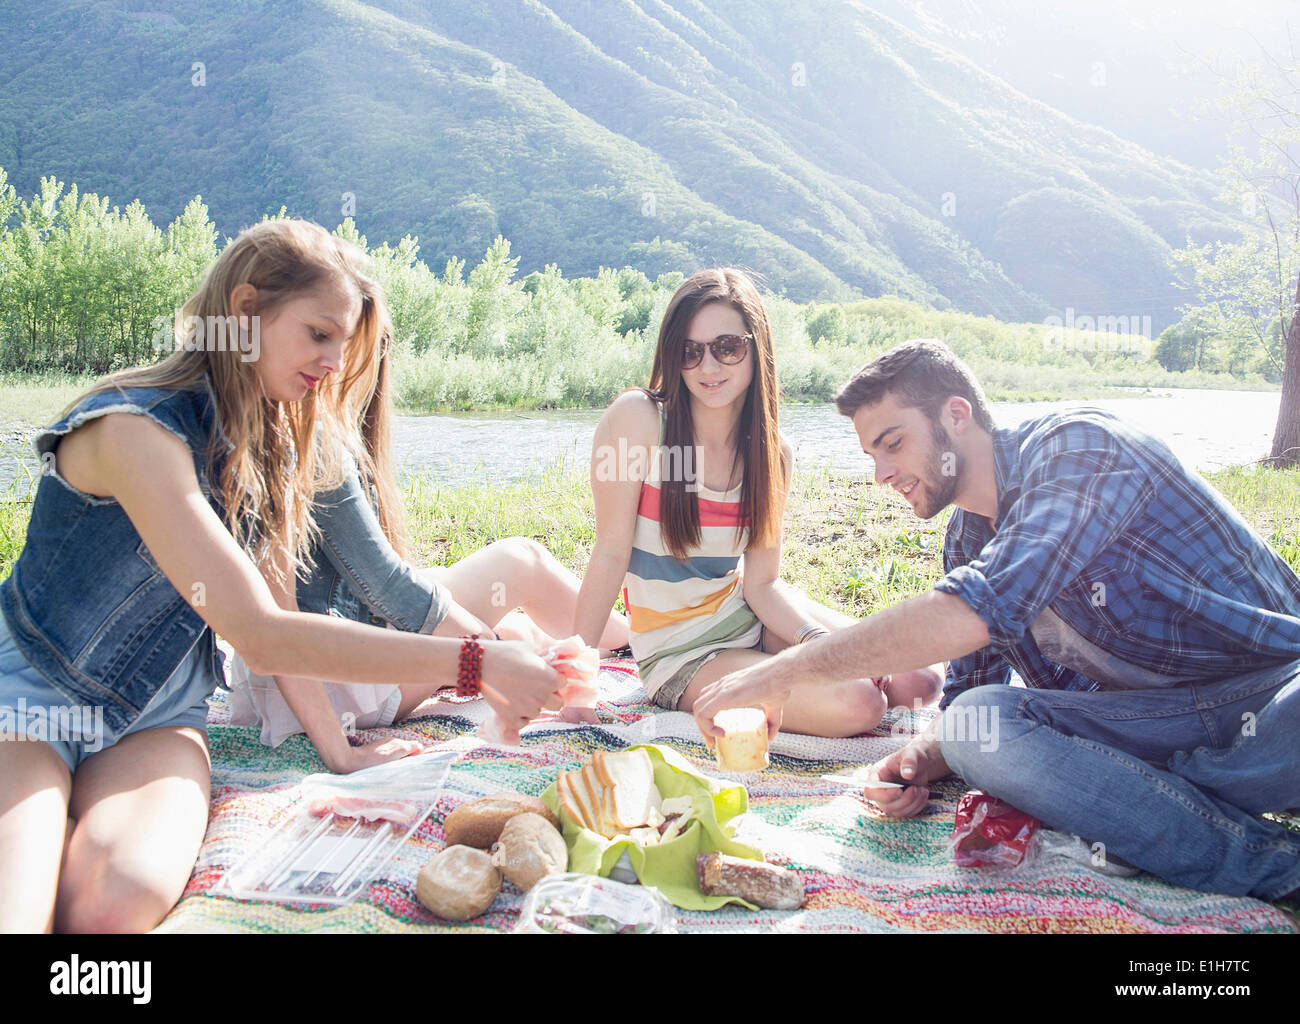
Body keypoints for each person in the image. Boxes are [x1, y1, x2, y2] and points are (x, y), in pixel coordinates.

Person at [0, 219, 565, 934]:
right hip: (31, 695)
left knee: (113, 909)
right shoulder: (132, 430)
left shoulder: (267, 441)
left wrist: (339, 751)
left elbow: (282, 609)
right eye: (320, 334)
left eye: (345, 344)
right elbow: (258, 638)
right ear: (245, 312)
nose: (334, 362)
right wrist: (476, 662)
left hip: (158, 716)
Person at [693, 338, 1300, 900]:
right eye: (872, 455)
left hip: (1271, 702)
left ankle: (1158, 798)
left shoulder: (1079, 449)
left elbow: (979, 607)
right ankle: (1266, 862)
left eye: (894, 443)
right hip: (1152, 727)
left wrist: (782, 673)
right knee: (972, 726)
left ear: (957, 416)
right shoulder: (964, 537)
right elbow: (969, 696)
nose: (881, 475)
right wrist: (923, 760)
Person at [227, 336, 631, 769]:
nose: (336, 360)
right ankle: (644, 638)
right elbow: (388, 587)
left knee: (511, 626)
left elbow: (284, 617)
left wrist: (493, 650)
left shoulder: (262, 432)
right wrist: (492, 659)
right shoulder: (314, 444)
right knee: (520, 561)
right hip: (337, 683)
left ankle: (578, 650)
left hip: (270, 695)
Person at [573, 269, 941, 735]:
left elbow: (763, 584)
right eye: (691, 352)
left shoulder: (772, 453)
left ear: (756, 348)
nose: (709, 368)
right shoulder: (639, 420)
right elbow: (609, 551)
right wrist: (577, 678)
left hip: (745, 616)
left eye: (728, 347)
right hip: (681, 653)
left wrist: (815, 643)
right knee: (860, 704)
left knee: (919, 680)